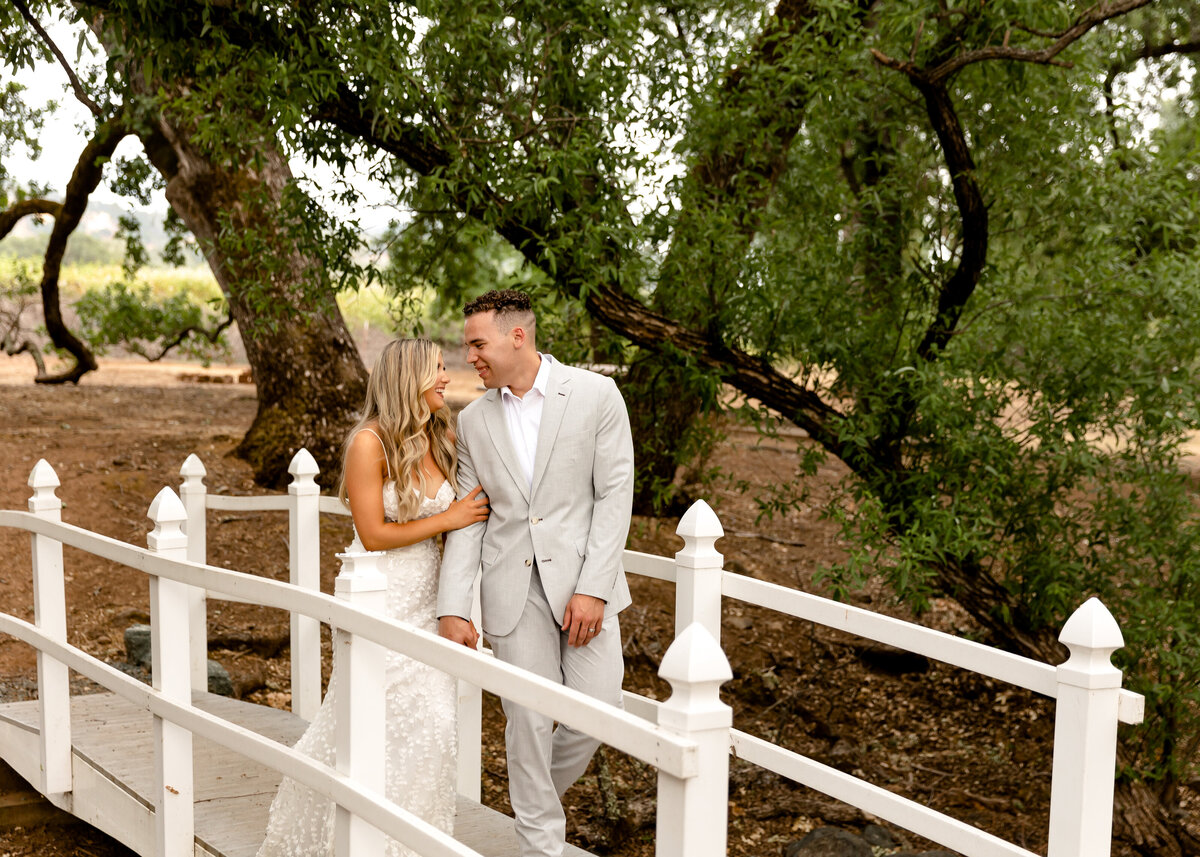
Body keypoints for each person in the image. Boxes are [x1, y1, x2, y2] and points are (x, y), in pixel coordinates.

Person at [257, 338, 488, 857]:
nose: (447, 377)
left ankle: (412, 845)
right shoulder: (369, 442)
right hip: (382, 600)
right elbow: (373, 532)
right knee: (363, 724)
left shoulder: (442, 433)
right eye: (436, 369)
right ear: (408, 377)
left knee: (433, 726)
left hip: (431, 605)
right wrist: (447, 518)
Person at [437, 289, 634, 857]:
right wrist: (454, 605)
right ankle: (538, 846)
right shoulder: (473, 419)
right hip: (511, 589)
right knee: (528, 720)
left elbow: (615, 495)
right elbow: (472, 518)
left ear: (516, 336)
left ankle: (530, 801)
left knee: (597, 714)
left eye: (478, 343)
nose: (469, 355)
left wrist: (593, 589)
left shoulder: (597, 395)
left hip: (583, 585)